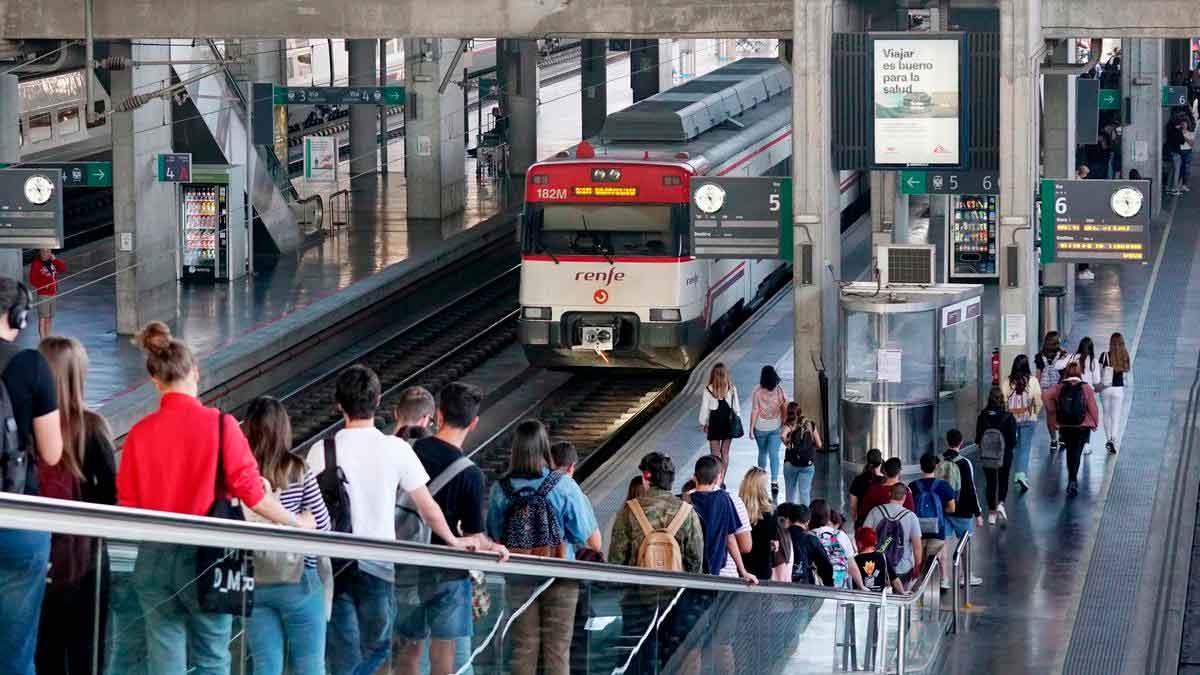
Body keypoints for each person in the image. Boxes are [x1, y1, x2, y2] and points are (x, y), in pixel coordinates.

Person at [118, 322, 306, 675]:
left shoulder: (139, 434)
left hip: (154, 558)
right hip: (208, 558)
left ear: (155, 381)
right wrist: (297, 523)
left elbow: (127, 506)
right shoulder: (221, 426)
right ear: (195, 371)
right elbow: (252, 494)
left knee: (164, 658)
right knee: (212, 657)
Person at [396, 381, 508, 675]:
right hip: (448, 574)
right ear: (473, 423)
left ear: (440, 415)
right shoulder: (470, 474)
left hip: (406, 565)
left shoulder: (410, 450)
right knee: (443, 661)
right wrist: (492, 546)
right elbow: (474, 537)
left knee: (408, 653)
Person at [486, 420, 600, 675]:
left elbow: (495, 534)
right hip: (560, 576)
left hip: (519, 576)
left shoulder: (500, 489)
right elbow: (584, 535)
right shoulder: (564, 485)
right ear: (545, 447)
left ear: (515, 449)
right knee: (557, 650)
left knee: (523, 648)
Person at [33, 336, 114, 675]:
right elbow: (111, 497)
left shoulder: (24, 427)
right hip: (86, 562)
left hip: (36, 557)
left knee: (43, 651)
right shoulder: (92, 428)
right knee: (87, 653)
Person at [0, 279, 62, 675]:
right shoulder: (32, 365)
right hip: (18, 517)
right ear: (19, 317)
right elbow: (52, 452)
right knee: (16, 651)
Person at [244, 397, 331, 675]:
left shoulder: (241, 474)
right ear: (284, 429)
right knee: (309, 666)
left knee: (265, 667)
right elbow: (323, 525)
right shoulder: (299, 469)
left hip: (254, 579)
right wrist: (302, 520)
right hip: (299, 578)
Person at [609, 452, 703, 572]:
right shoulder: (687, 512)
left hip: (637, 582)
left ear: (646, 476)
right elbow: (696, 561)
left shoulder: (629, 510)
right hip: (676, 582)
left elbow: (616, 560)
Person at [690, 455, 756, 582]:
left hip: (691, 572)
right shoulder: (724, 499)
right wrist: (743, 571)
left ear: (694, 476)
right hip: (720, 573)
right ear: (718, 477)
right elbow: (730, 538)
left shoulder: (684, 501)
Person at [1043, 361, 1100, 497]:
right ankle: (1073, 480)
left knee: (1070, 452)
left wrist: (1052, 412)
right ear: (1079, 373)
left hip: (1065, 426)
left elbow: (1045, 396)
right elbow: (1093, 407)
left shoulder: (1060, 387)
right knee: (1077, 453)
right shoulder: (1085, 387)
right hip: (1082, 426)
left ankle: (1071, 479)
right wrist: (1095, 422)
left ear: (1066, 372)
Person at [941, 430, 983, 588]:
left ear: (946, 442)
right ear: (961, 442)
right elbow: (971, 490)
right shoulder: (965, 463)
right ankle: (965, 576)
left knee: (943, 544)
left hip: (944, 510)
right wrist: (978, 513)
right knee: (964, 543)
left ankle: (943, 578)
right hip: (963, 510)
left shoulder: (940, 461)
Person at [864, 484, 924, 582]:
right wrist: (917, 567)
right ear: (904, 497)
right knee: (900, 591)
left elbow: (864, 537)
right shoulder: (911, 516)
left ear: (889, 494)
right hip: (902, 568)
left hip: (877, 565)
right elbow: (917, 546)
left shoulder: (875, 511)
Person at [976, 386, 1017, 525]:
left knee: (990, 483)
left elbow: (978, 438)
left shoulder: (982, 416)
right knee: (1003, 479)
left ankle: (991, 513)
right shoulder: (1009, 417)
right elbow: (1013, 441)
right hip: (1005, 455)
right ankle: (1001, 503)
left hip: (988, 456)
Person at [910, 453, 956, 578]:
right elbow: (952, 508)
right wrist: (939, 512)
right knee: (937, 558)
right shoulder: (943, 485)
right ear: (935, 466)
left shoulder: (913, 486)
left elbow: (909, 509)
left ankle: (920, 583)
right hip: (938, 530)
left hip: (918, 530)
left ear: (920, 467)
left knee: (920, 560)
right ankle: (943, 579)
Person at [1002, 354, 1042, 492]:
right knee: (1024, 448)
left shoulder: (1007, 382)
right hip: (1028, 419)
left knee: (1012, 446)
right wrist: (1034, 413)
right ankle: (1021, 474)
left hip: (1011, 421)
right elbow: (1038, 401)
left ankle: (1012, 472)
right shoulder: (1033, 381)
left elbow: (1003, 401)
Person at [749, 365, 788, 495]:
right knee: (774, 454)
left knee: (762, 452)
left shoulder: (757, 391)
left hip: (760, 428)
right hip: (776, 427)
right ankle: (774, 481)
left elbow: (755, 410)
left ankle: (761, 479)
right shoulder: (779, 390)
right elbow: (785, 406)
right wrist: (784, 423)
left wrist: (751, 429)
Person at [737, 467, 781, 580]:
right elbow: (772, 539)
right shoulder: (770, 511)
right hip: (762, 566)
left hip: (739, 565)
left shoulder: (736, 507)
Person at [809, 500, 864, 589]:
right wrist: (861, 586)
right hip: (839, 587)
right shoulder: (840, 535)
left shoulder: (808, 536)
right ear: (828, 516)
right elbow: (851, 564)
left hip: (816, 588)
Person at [777, 503, 833, 586]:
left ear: (789, 519)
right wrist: (829, 584)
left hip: (781, 584)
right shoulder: (811, 539)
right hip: (805, 586)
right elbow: (826, 566)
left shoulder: (780, 537)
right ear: (807, 522)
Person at [699, 363, 740, 468]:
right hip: (728, 423)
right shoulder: (732, 388)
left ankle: (715, 476)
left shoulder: (708, 389)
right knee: (725, 452)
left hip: (714, 423)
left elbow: (704, 409)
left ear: (713, 374)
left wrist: (703, 423)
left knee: (715, 455)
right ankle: (722, 478)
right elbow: (736, 408)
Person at [1067, 337, 1103, 454]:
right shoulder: (1093, 361)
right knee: (1087, 417)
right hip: (1088, 392)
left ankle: (1073, 441)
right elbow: (1096, 380)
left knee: (1074, 415)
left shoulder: (1074, 358)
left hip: (1074, 390)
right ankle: (1086, 444)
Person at [781, 402, 821, 506]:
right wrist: (810, 447)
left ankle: (789, 514)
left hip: (791, 463)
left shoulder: (790, 425)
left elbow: (782, 436)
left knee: (790, 492)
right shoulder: (810, 424)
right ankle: (805, 514)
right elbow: (819, 444)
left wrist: (788, 445)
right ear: (800, 412)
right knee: (804, 492)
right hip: (807, 464)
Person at [856, 457, 914, 528]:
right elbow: (911, 516)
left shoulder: (872, 490)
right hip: (900, 532)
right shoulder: (906, 491)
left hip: (876, 531)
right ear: (899, 472)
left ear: (884, 471)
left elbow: (863, 514)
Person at [1035, 331, 1069, 452]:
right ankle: (1062, 437)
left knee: (1050, 415)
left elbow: (1038, 375)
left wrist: (1037, 391)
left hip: (1045, 390)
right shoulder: (1063, 355)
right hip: (1059, 388)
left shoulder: (1039, 356)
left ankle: (1053, 440)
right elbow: (1066, 372)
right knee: (1062, 413)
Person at [1099, 332, 1131, 454]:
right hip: (1118, 389)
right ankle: (1113, 439)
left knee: (1106, 414)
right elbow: (1127, 371)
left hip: (1105, 388)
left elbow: (1099, 372)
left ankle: (1108, 439)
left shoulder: (1104, 355)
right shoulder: (1124, 356)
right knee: (1116, 416)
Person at [28, 249, 65, 339]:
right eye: (44, 251)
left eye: (48, 251)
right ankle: (42, 341)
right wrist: (44, 286)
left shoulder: (52, 262)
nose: (46, 254)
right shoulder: (36, 264)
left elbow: (63, 269)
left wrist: (55, 260)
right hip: (43, 294)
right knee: (43, 319)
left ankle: (48, 339)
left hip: (53, 293)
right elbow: (33, 280)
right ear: (40, 252)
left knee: (49, 319)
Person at [854, 528, 904, 594]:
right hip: (880, 598)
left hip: (860, 597)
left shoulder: (855, 560)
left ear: (859, 543)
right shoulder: (882, 557)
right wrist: (903, 593)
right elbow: (894, 579)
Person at [848, 448, 884, 526]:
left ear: (867, 462)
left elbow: (853, 505)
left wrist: (856, 522)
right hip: (881, 522)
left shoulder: (858, 480)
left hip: (863, 521)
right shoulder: (886, 481)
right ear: (881, 461)